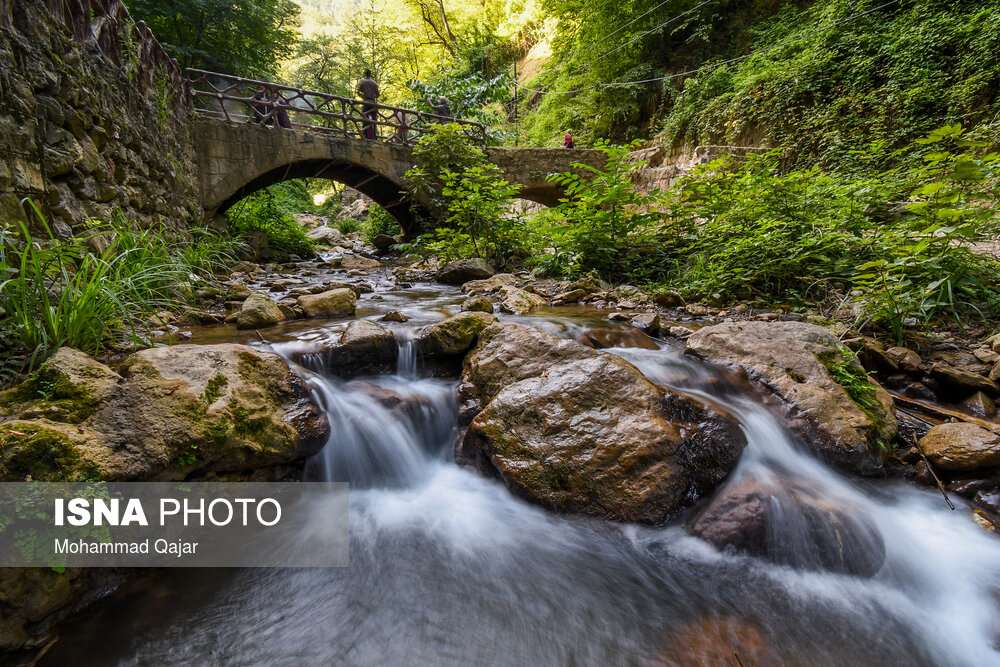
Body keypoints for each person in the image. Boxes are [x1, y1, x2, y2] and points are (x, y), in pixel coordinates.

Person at [356, 69, 380, 139]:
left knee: (364, 119)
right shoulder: (374, 83)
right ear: (370, 74)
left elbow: (358, 92)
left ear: (365, 74)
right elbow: (378, 95)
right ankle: (374, 136)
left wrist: (363, 96)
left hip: (365, 102)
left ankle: (364, 135)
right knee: (374, 120)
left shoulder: (362, 82)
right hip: (373, 103)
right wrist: (372, 96)